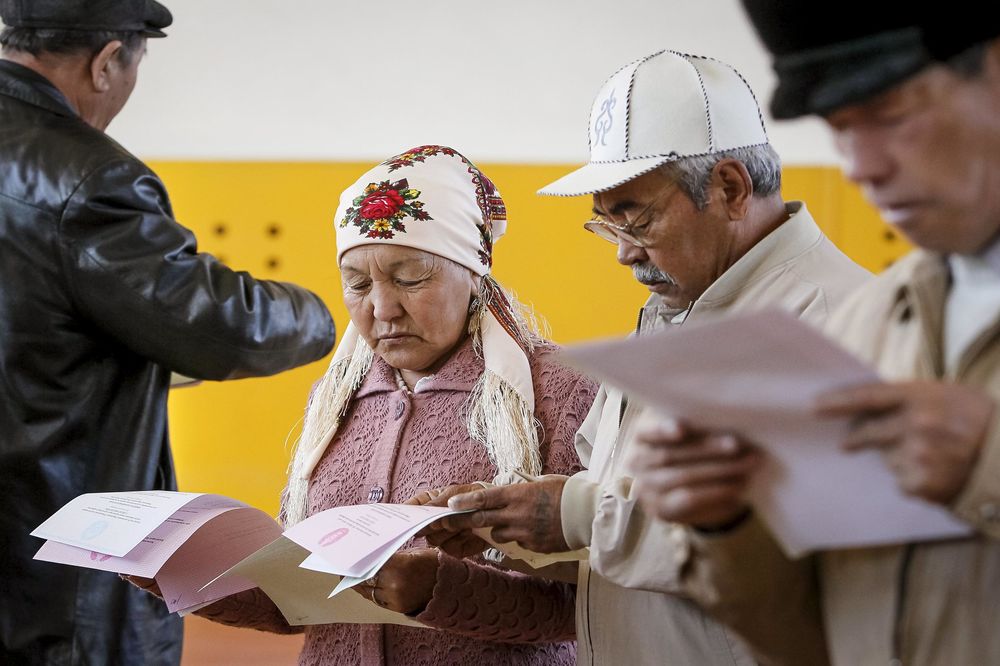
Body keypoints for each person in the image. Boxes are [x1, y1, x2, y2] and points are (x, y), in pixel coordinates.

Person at [419, 51, 870, 665]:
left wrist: (575, 514)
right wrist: (506, 525)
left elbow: (802, 541)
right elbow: (614, 513)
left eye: (637, 219)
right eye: (607, 226)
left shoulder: (838, 321)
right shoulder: (674, 315)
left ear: (731, 188)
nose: (624, 256)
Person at [627, 7, 1000, 666]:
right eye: (839, 129)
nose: (861, 167)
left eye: (891, 113)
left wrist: (987, 463)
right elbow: (816, 644)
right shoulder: (871, 325)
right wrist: (726, 524)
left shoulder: (841, 310)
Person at [141, 145, 599, 666]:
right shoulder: (337, 399)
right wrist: (187, 576)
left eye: (409, 279)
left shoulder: (558, 392)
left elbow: (585, 603)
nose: (382, 308)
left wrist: (439, 592)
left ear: (474, 274)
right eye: (357, 284)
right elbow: (305, 606)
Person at [0, 2, 337, 664]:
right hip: (62, 575)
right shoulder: (90, 178)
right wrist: (323, 312)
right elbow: (223, 328)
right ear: (105, 63)